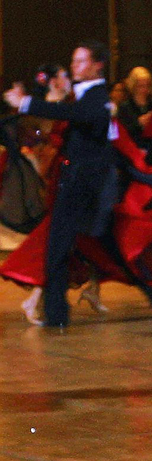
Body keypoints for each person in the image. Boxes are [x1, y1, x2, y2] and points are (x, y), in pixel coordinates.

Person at [3, 42, 123, 327]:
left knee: (77, 245)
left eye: (79, 62)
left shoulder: (86, 99)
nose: (72, 68)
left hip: (79, 180)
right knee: (64, 245)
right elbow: (52, 129)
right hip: (65, 178)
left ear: (97, 65)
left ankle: (58, 307)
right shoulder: (69, 101)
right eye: (71, 63)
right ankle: (52, 307)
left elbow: (80, 120)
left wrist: (30, 103)